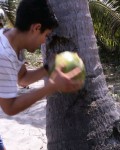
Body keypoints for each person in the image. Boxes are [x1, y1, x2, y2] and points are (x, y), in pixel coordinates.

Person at [0, 0, 83, 149]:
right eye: (46, 35)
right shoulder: (3, 55)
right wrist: (51, 87)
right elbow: (10, 108)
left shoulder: (12, 40)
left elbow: (23, 79)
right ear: (36, 28)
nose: (45, 41)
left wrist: (49, 67)